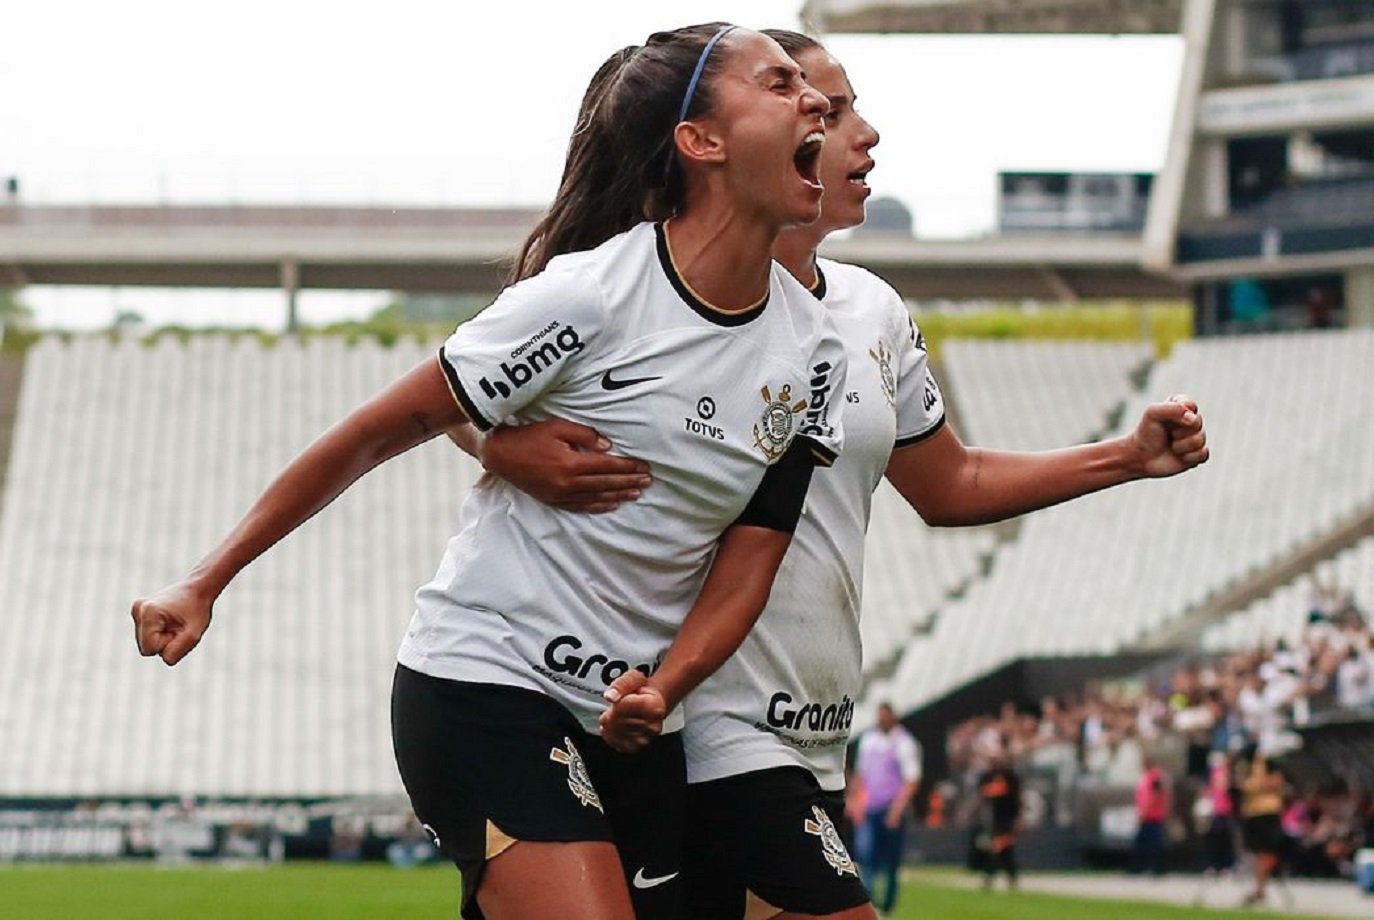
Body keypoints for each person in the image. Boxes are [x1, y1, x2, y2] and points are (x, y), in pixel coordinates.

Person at [460, 28, 1211, 920]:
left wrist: (1122, 458)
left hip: (811, 730)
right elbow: (460, 396)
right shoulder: (645, 296)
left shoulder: (868, 311)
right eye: (828, 105)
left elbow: (948, 483)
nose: (859, 131)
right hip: (704, 721)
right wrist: (496, 444)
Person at [130, 23, 848, 920]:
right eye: (779, 84)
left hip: (630, 718)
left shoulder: (815, 349)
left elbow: (752, 557)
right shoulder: (590, 296)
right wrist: (205, 580)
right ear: (699, 142)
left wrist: (664, 687)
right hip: (483, 683)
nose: (816, 100)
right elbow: (370, 434)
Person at [850, 703, 921, 913]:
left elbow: (911, 780)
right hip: (870, 808)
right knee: (866, 855)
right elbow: (860, 776)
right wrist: (856, 803)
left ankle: (887, 905)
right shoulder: (868, 741)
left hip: (891, 809)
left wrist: (897, 809)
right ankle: (868, 901)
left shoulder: (904, 742)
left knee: (891, 860)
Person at [1236, 747, 1287, 907]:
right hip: (1252, 813)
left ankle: (1260, 888)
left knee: (1265, 852)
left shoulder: (1269, 763)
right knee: (1256, 853)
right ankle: (1259, 887)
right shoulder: (1245, 766)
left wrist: (1254, 785)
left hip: (1268, 812)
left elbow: (1277, 781)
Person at [976, 753, 1024, 891]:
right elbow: (983, 795)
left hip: (1009, 818)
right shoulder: (989, 777)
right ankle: (1011, 879)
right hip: (996, 819)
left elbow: (1018, 798)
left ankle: (989, 878)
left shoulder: (1011, 777)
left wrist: (1019, 818)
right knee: (1005, 851)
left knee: (997, 848)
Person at [1130, 754, 1171, 875]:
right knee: (1145, 843)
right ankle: (1142, 867)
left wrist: (1143, 812)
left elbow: (1153, 796)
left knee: (1150, 844)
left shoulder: (1155, 777)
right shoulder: (1149, 776)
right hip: (1149, 815)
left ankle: (1150, 867)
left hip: (1152, 816)